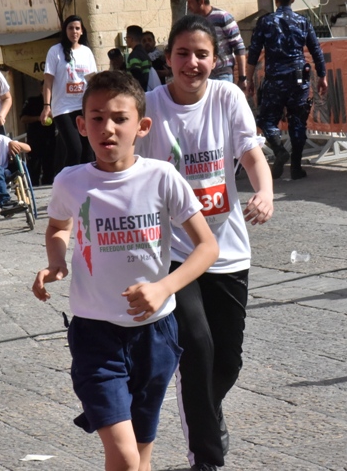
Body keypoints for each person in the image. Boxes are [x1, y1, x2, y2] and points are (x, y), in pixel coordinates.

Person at [31, 70, 219, 471]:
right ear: (81, 125)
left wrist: (163, 288)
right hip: (95, 336)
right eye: (96, 118)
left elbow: (207, 247)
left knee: (141, 454)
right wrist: (56, 261)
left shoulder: (162, 177)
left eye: (119, 118)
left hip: (156, 334)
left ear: (142, 126)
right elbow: (59, 227)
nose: (108, 128)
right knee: (125, 458)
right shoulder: (71, 182)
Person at [137, 15, 273, 471]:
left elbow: (251, 154)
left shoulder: (228, 96)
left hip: (228, 248)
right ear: (168, 57)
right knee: (196, 348)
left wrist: (265, 191)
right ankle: (207, 459)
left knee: (228, 361)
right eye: (182, 54)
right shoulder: (150, 108)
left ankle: (206, 411)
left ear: (215, 60)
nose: (192, 63)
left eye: (201, 54)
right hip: (174, 251)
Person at [247, 0, 329, 180]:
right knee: (298, 120)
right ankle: (296, 167)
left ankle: (279, 149)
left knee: (266, 120)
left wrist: (248, 79)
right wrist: (322, 76)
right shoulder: (303, 21)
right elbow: (316, 50)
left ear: (276, 0)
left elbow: (253, 52)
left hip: (275, 79)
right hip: (299, 78)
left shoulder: (266, 22)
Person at [42, 15, 97, 169]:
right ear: (65, 30)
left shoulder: (86, 52)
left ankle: (88, 186)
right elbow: (48, 81)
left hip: (84, 107)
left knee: (88, 151)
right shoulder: (55, 51)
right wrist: (47, 106)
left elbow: (92, 80)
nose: (74, 31)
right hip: (63, 108)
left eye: (77, 28)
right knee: (75, 149)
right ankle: (67, 183)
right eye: (71, 28)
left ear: (82, 31)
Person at [186, 0, 248, 87]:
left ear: (201, 1)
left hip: (222, 73)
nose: (188, 6)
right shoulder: (194, 22)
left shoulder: (223, 17)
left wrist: (242, 78)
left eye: (190, 2)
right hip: (202, 75)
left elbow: (239, 47)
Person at [20, 93, 55, 186]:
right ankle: (32, 188)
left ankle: (48, 188)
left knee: (49, 167)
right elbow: (23, 118)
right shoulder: (32, 101)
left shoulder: (56, 100)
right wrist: (39, 118)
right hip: (35, 139)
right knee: (33, 167)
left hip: (51, 139)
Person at [124, 25, 153, 90]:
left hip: (140, 92)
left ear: (131, 39)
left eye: (126, 38)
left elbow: (136, 75)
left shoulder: (134, 55)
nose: (126, 41)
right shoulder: (144, 53)